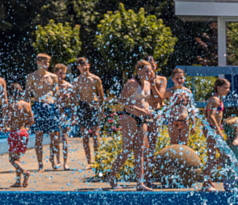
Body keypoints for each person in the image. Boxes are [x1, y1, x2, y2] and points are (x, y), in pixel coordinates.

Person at [107, 60, 156, 190]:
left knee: (140, 151)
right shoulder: (132, 83)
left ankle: (140, 183)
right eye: (146, 70)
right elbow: (121, 100)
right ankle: (111, 177)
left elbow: (145, 101)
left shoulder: (147, 84)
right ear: (138, 70)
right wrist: (138, 110)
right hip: (130, 117)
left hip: (142, 119)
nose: (149, 73)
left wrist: (149, 111)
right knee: (127, 149)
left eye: (150, 70)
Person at [26, 53, 60, 171]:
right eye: (44, 62)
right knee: (38, 136)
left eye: (48, 62)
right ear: (38, 62)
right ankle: (40, 163)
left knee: (54, 136)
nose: (47, 65)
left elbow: (56, 95)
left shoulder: (53, 77)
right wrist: (28, 112)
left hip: (50, 106)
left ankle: (53, 159)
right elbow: (27, 96)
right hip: (38, 106)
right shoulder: (31, 77)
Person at [73, 57, 106, 165]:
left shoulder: (95, 79)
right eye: (81, 65)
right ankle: (89, 162)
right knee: (85, 135)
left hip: (94, 105)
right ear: (78, 67)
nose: (83, 67)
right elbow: (74, 98)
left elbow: (101, 95)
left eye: (85, 65)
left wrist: (102, 109)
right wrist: (74, 113)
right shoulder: (77, 81)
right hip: (83, 106)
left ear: (88, 65)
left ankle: (98, 160)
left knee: (96, 135)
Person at [201, 77, 229, 191]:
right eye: (226, 87)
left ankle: (207, 178)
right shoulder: (215, 100)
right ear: (219, 88)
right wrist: (217, 130)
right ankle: (205, 181)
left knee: (221, 156)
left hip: (212, 129)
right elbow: (211, 116)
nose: (228, 90)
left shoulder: (217, 99)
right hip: (212, 130)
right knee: (214, 157)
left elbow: (205, 110)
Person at [5, 90, 34, 188]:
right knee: (18, 158)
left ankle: (25, 172)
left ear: (12, 94)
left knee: (12, 159)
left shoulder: (12, 105)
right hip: (24, 133)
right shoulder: (27, 105)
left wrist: (6, 127)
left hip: (15, 133)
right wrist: (24, 126)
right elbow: (32, 121)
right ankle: (18, 181)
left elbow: (8, 120)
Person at [164, 68, 195, 145]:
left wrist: (193, 124)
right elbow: (161, 104)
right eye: (177, 78)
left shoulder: (187, 92)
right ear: (173, 79)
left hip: (184, 121)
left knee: (184, 145)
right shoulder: (169, 92)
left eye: (181, 78)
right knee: (174, 145)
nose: (179, 80)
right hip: (173, 121)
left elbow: (191, 108)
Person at [53, 63, 75, 170]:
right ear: (55, 73)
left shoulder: (69, 86)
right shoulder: (52, 86)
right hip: (55, 111)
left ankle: (65, 162)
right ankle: (56, 160)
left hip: (65, 112)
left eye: (64, 74)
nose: (62, 76)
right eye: (60, 73)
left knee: (65, 137)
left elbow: (73, 103)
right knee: (55, 137)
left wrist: (74, 116)